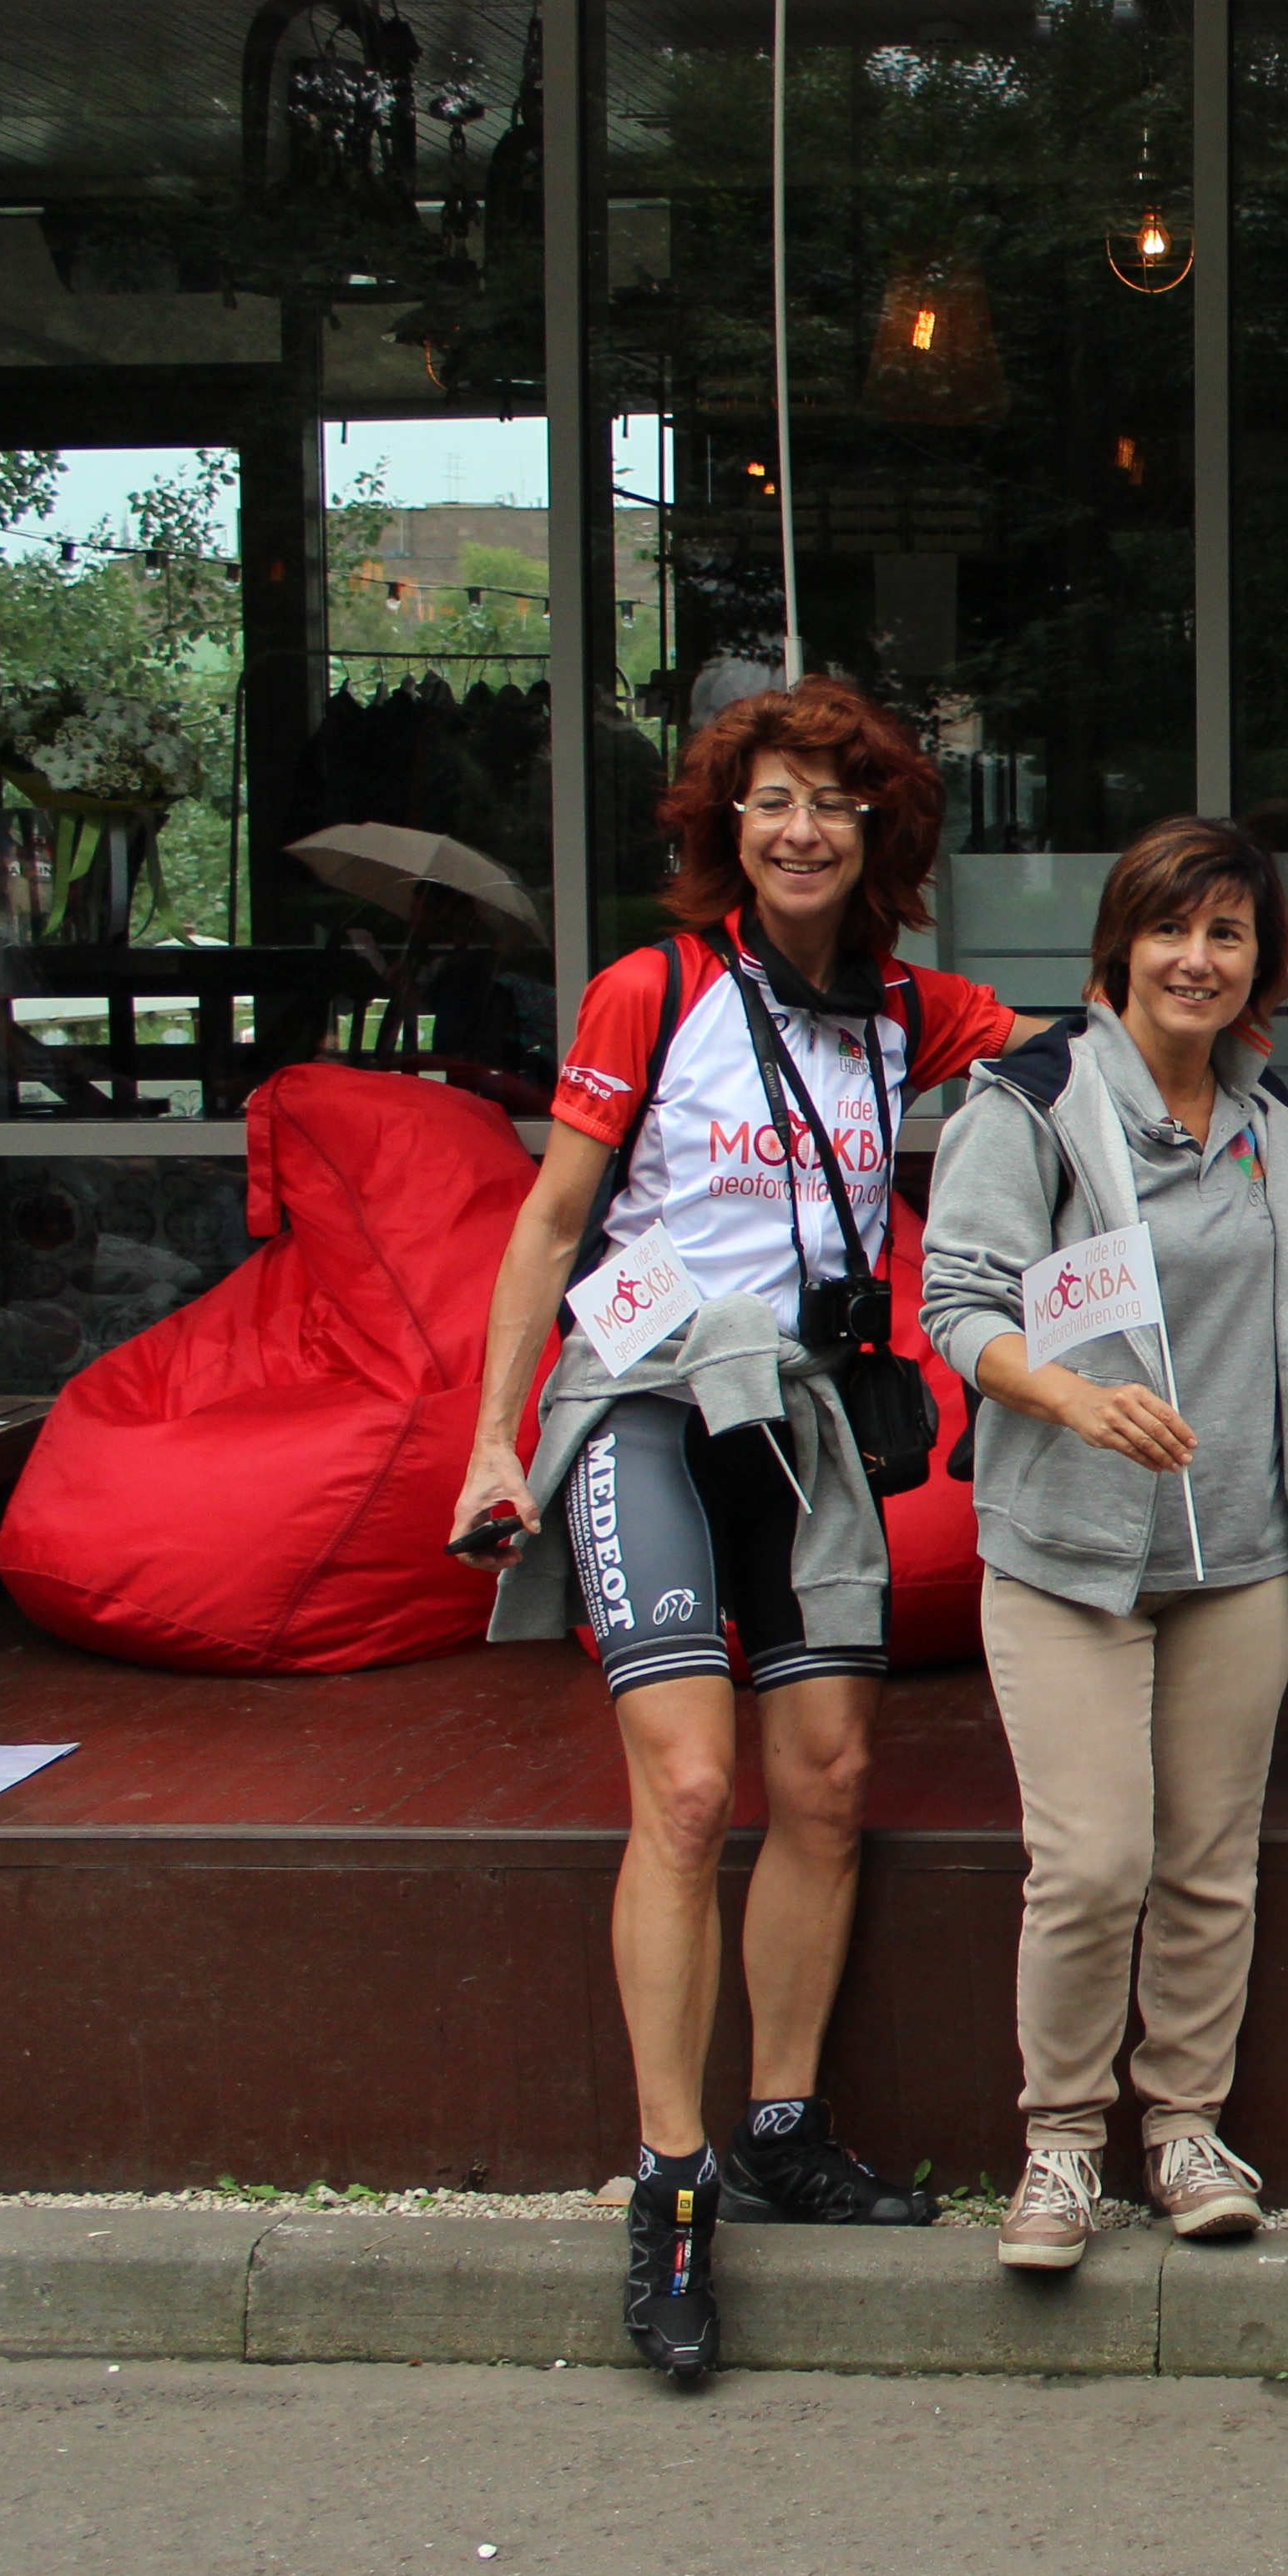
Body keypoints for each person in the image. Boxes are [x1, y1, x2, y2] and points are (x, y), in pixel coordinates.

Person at [453, 679, 1033, 2387]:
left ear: (879, 835)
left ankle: (782, 2127)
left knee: (830, 1781)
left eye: (833, 805)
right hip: (643, 1396)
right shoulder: (653, 987)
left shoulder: (911, 1008)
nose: (800, 830)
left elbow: (1115, 1031)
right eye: (771, 800)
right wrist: (492, 1443)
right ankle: (673, 2181)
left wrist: (1281, 974)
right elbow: (552, 1216)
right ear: (729, 824)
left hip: (804, 1417)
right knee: (694, 1790)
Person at [922, 816, 1288, 2273]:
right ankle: (1058, 2143)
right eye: (1171, 928)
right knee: (1095, 1862)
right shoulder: (1032, 1100)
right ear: (1119, 943)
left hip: (1243, 1551)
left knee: (1209, 1863)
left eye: (1228, 934)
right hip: (1070, 1551)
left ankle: (1184, 2128)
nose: (1196, 958)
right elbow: (959, 1303)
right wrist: (1071, 1398)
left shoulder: (1264, 1121)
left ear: (1257, 964)